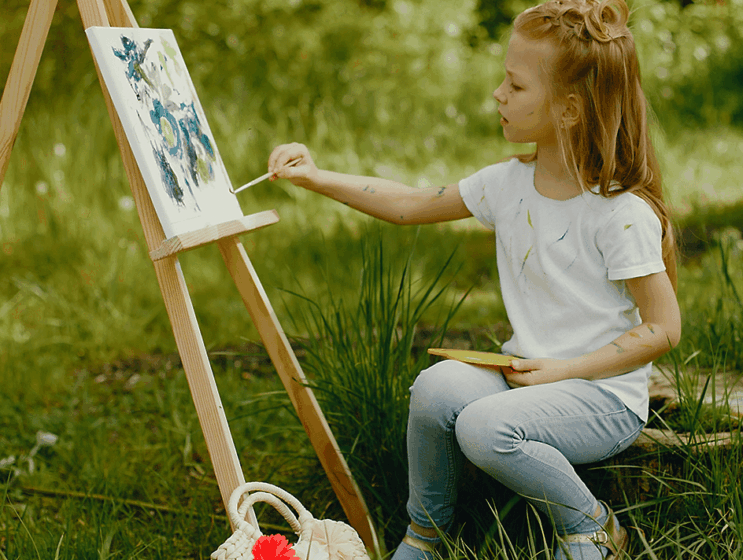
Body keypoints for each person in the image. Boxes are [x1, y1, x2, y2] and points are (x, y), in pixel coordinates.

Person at [267, 0, 681, 557]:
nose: (498, 95)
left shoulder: (619, 213)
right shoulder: (507, 183)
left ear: (569, 109)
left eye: (515, 85)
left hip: (602, 396)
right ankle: (427, 534)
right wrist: (316, 177)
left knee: (484, 428)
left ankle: (592, 528)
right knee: (436, 388)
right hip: (529, 377)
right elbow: (411, 204)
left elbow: (663, 329)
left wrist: (567, 368)